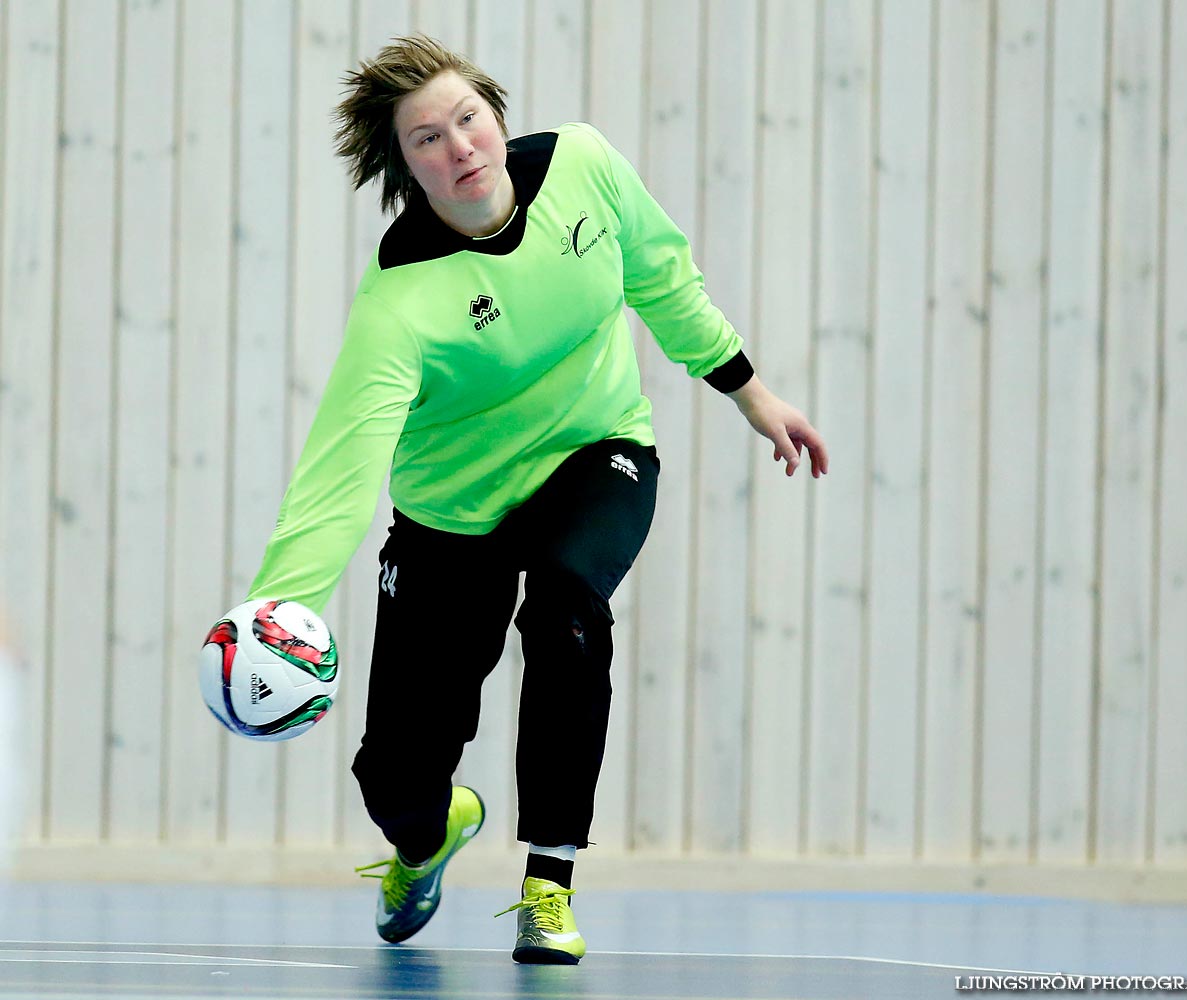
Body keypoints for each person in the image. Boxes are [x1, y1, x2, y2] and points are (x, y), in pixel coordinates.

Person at [241, 33, 828, 965]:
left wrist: (755, 394)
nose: (459, 146)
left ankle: (547, 887)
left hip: (594, 453)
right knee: (395, 777)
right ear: (405, 166)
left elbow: (663, 277)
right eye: (427, 138)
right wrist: (278, 605)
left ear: (498, 118)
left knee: (565, 608)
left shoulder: (584, 168)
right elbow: (342, 465)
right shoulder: (399, 301)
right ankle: (429, 835)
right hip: (451, 516)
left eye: (468, 119)